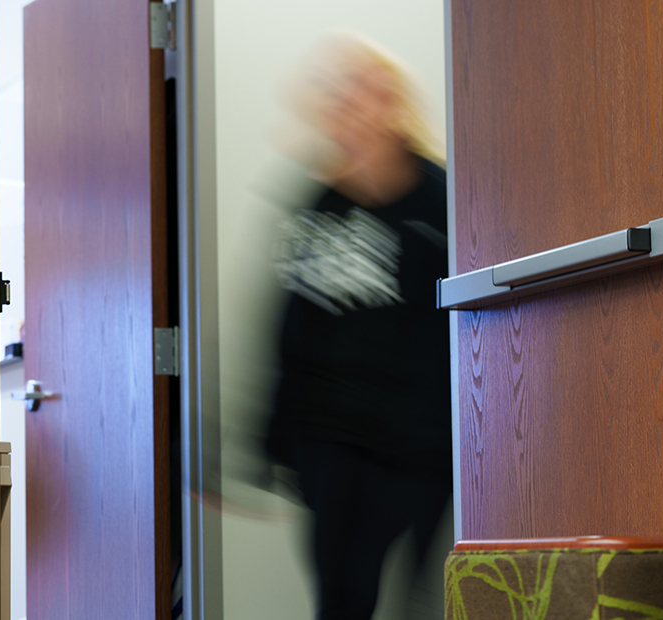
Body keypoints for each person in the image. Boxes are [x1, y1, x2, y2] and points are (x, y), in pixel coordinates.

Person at [264, 34, 452, 620]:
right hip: (332, 442)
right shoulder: (316, 206)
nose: (354, 104)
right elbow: (290, 323)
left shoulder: (440, 197)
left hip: (423, 444)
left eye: (371, 91)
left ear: (396, 105)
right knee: (342, 599)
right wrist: (271, 437)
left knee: (424, 599)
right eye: (342, 93)